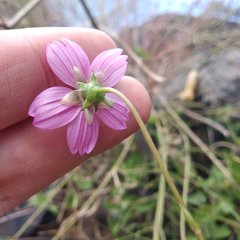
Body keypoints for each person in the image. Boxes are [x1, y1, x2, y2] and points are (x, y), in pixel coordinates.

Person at [0, 28, 151, 217]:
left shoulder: (108, 102)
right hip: (79, 94)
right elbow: (43, 113)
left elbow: (121, 116)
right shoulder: (80, 88)